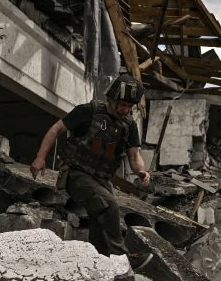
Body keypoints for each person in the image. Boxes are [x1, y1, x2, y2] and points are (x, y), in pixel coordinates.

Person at [30, 73, 152, 267]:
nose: (126, 110)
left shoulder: (129, 126)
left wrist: (141, 172)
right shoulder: (89, 112)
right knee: (108, 204)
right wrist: (40, 157)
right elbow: (56, 129)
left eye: (129, 107)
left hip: (102, 179)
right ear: (111, 100)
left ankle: (100, 262)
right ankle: (123, 258)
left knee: (100, 221)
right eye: (122, 105)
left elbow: (134, 155)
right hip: (76, 173)